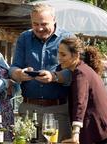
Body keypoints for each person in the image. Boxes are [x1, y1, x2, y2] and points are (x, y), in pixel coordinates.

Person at [9, 3, 74, 142]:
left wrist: (55, 77)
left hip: (58, 111)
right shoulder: (24, 38)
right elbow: (13, 68)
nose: (39, 28)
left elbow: (75, 72)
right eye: (35, 24)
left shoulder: (68, 38)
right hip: (28, 109)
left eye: (44, 24)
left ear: (54, 20)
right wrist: (19, 74)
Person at [58, 38, 107, 144]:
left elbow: (80, 102)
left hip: (106, 134)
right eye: (58, 54)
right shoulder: (84, 69)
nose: (59, 58)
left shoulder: (80, 72)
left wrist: (75, 132)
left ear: (76, 56)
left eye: (63, 55)